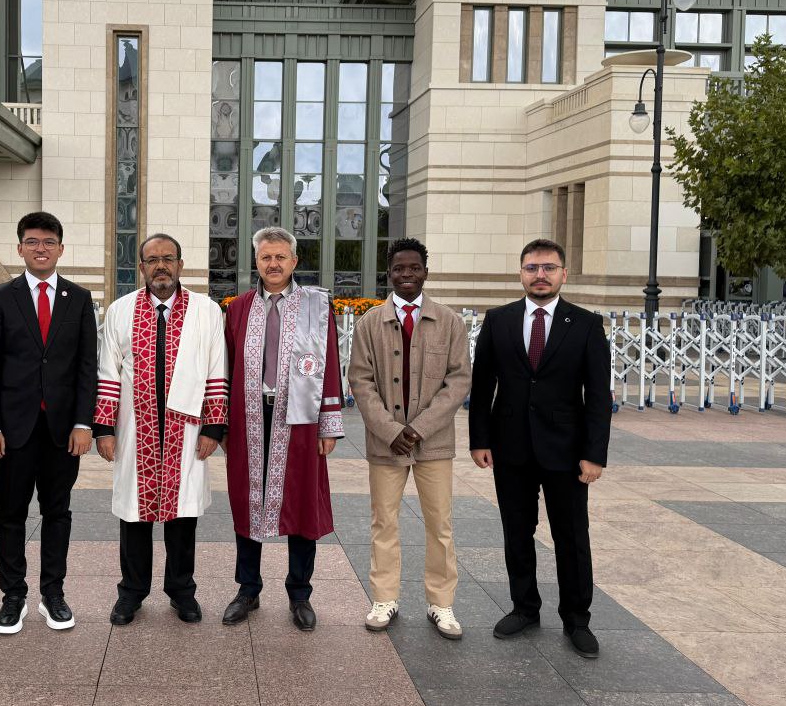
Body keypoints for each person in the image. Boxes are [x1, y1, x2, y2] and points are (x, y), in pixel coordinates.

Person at [468, 238, 611, 658]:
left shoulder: (585, 324)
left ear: (563, 274)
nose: (540, 275)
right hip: (510, 448)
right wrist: (480, 440)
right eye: (532, 268)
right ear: (521, 273)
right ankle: (524, 608)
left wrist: (594, 453)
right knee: (517, 532)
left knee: (572, 536)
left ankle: (577, 619)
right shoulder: (499, 320)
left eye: (549, 267)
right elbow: (482, 385)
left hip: (567, 451)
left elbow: (598, 396)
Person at [93, 233, 228, 625]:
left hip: (187, 430)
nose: (161, 266)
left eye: (168, 258)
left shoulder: (206, 311)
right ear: (142, 267)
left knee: (183, 516)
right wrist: (104, 428)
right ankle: (131, 593)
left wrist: (213, 427)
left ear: (180, 264)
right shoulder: (120, 310)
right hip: (135, 428)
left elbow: (216, 369)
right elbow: (108, 371)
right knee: (134, 515)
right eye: (152, 260)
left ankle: (182, 592)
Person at [0, 212, 97, 634]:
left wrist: (84, 422)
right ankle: (13, 596)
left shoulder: (78, 299)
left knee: (57, 513)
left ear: (61, 248)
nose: (40, 248)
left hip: (63, 431)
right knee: (10, 514)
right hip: (13, 431)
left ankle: (53, 594)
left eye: (48, 242)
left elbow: (87, 367)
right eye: (32, 241)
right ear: (20, 248)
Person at [221, 226, 343, 632]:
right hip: (249, 415)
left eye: (280, 257)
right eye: (265, 257)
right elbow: (226, 367)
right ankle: (247, 589)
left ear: (294, 261)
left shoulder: (315, 306)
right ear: (256, 262)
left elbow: (329, 364)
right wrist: (221, 424)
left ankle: (300, 593)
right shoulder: (238, 308)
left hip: (301, 418)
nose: (273, 264)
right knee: (247, 499)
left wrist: (329, 424)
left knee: (302, 502)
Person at [348, 238, 471, 637]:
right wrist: (391, 430)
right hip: (386, 444)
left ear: (425, 272)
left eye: (414, 268)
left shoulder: (449, 322)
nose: (407, 275)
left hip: (433, 443)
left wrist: (419, 428)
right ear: (389, 273)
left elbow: (458, 381)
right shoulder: (370, 323)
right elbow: (360, 381)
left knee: (440, 524)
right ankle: (385, 598)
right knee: (384, 521)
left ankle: (441, 603)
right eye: (399, 268)